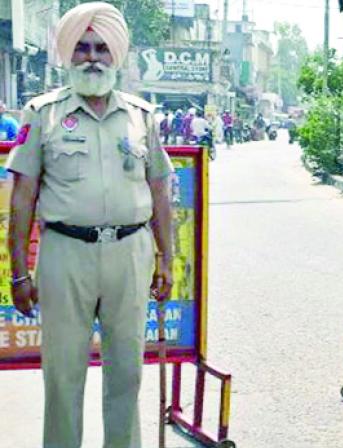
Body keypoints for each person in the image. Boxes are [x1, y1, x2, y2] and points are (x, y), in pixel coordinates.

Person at [5, 3, 174, 447]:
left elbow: (160, 191)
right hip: (65, 255)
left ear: (115, 54)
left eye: (101, 47)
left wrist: (167, 259)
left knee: (127, 374)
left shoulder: (142, 116)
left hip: (130, 252)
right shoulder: (42, 114)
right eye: (82, 47)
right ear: (68, 53)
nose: (92, 57)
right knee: (62, 377)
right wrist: (18, 271)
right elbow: (22, 198)